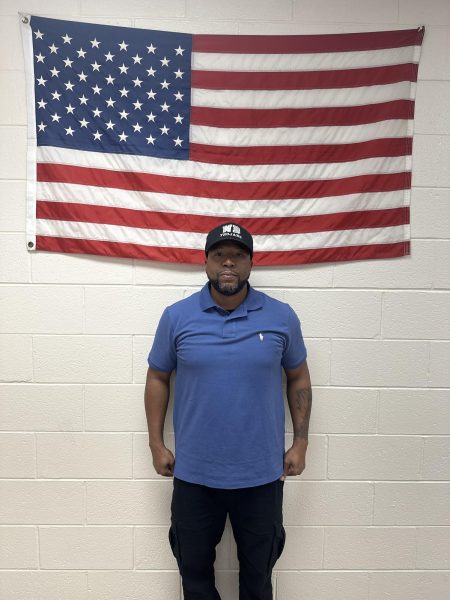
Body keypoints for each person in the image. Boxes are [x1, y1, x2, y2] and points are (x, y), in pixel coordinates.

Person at [144, 222, 312, 600]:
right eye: (220, 255)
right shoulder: (177, 316)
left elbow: (298, 377)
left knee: (257, 578)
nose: (228, 263)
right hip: (194, 476)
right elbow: (158, 377)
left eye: (237, 256)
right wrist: (155, 443)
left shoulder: (281, 317)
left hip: (262, 475)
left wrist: (300, 442)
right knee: (195, 576)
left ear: (250, 263)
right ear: (206, 261)